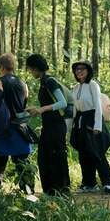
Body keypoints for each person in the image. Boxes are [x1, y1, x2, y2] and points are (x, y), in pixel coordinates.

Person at [24, 53, 72, 196]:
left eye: (31, 69)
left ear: (36, 68)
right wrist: (34, 109)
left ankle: (61, 190)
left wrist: (41, 110)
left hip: (56, 126)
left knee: (56, 157)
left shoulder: (50, 81)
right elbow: (48, 103)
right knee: (45, 157)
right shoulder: (44, 82)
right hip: (49, 125)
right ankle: (50, 190)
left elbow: (62, 102)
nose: (30, 72)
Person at [0, 53, 34, 193]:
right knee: (22, 162)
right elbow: (24, 104)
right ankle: (28, 190)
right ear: (13, 67)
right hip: (20, 127)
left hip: (4, 128)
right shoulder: (23, 84)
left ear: (1, 67)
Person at [69, 60, 110, 193]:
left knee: (96, 152)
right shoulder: (76, 88)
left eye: (82, 69)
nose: (79, 71)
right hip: (80, 121)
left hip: (92, 120)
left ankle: (108, 182)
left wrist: (98, 126)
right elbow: (74, 109)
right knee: (84, 154)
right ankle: (89, 183)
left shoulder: (93, 85)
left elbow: (97, 105)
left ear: (88, 71)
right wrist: (70, 126)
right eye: (77, 69)